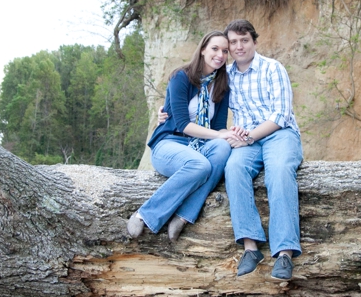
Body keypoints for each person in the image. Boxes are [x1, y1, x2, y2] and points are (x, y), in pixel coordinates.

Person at [128, 32, 238, 244]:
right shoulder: (181, 77)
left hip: (199, 145)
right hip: (169, 143)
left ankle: (184, 215)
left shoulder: (222, 85)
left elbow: (218, 128)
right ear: (203, 49)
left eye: (225, 51)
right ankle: (145, 214)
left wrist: (232, 135)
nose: (220, 54)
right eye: (215, 48)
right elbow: (182, 125)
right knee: (200, 165)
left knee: (223, 149)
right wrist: (219, 135)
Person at [222, 19, 303, 282]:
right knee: (233, 168)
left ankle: (284, 253)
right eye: (233, 42)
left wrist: (249, 138)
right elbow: (195, 92)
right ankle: (251, 247)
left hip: (279, 134)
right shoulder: (227, 76)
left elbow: (280, 115)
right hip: (247, 138)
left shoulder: (272, 68)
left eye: (244, 40)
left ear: (254, 42)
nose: (239, 46)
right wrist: (165, 113)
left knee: (279, 171)